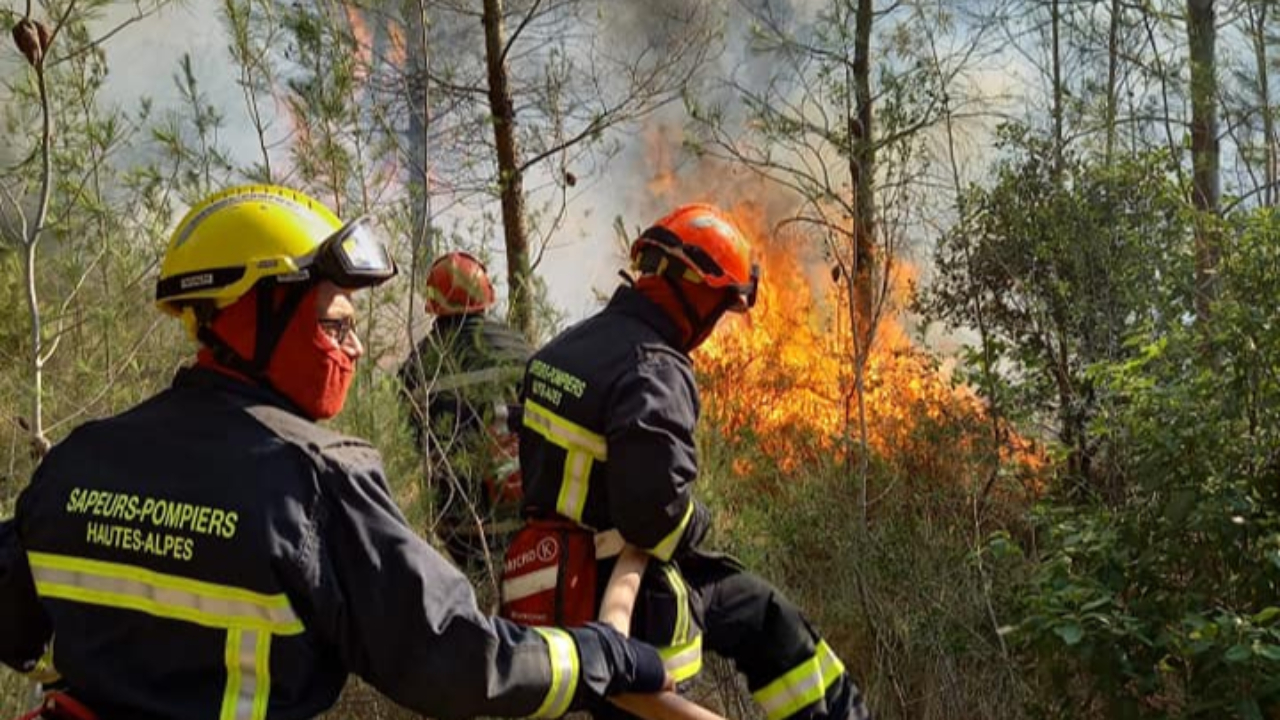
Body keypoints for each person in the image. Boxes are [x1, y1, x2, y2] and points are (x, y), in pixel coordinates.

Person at [0, 184, 668, 720]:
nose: (351, 349)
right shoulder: (315, 480)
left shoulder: (78, 461)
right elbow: (460, 663)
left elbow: (14, 620)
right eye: (334, 324)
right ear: (251, 315)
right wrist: (597, 654)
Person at [504, 203, 871, 720]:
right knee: (660, 691)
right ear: (699, 295)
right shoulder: (653, 369)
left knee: (765, 614)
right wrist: (701, 517)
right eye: (721, 306)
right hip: (622, 594)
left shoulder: (562, 349)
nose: (716, 323)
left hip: (550, 573)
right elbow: (654, 518)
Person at [398, 251, 532, 569]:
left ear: (433, 303)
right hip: (518, 515)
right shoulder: (518, 349)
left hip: (455, 524)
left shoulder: (416, 367)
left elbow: (413, 442)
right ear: (486, 295)